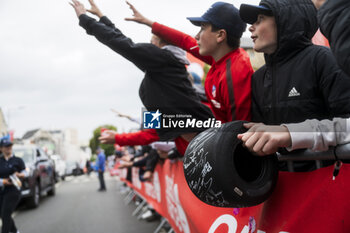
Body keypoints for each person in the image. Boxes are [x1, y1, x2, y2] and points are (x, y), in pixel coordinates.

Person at [70, 0, 213, 143]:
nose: (149, 46)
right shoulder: (161, 70)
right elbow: (123, 41)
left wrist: (85, 19)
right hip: (195, 140)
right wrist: (102, 18)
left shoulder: (164, 60)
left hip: (205, 138)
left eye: (152, 42)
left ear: (162, 44)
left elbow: (123, 44)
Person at [238, 0, 350, 162]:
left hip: (328, 179)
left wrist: (290, 134)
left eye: (260, 19)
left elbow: (346, 124)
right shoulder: (258, 77)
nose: (250, 27)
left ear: (285, 21)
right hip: (281, 182)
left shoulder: (323, 59)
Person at [125, 1, 253, 123]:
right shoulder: (222, 57)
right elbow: (184, 40)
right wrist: (148, 22)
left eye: (202, 28)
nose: (196, 36)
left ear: (220, 35)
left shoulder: (235, 73)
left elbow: (238, 131)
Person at [0, 138, 26, 233]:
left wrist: (20, 174)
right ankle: (15, 231)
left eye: (10, 146)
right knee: (3, 214)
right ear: (1, 148)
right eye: (6, 146)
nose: (9, 148)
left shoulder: (18, 160)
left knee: (6, 213)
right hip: (2, 190)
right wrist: (3, 181)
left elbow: (25, 172)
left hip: (13, 190)